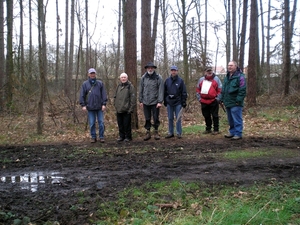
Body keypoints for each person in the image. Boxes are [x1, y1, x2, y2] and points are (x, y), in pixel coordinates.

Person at [79, 68, 108, 143]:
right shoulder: (85, 84)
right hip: (90, 107)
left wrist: (104, 104)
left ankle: (101, 136)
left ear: (95, 74)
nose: (92, 75)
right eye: (91, 73)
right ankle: (93, 137)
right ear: (88, 74)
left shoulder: (100, 83)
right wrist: (83, 105)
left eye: (93, 73)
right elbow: (82, 95)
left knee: (101, 123)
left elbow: (104, 94)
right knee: (92, 123)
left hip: (99, 107)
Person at [220, 61, 247, 140]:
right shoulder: (227, 77)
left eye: (231, 65)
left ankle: (238, 133)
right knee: (230, 119)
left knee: (237, 118)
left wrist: (238, 100)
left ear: (236, 66)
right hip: (227, 102)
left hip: (236, 102)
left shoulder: (240, 77)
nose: (229, 67)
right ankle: (232, 132)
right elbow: (224, 89)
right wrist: (221, 98)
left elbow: (242, 90)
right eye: (228, 65)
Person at [139, 62, 164, 141]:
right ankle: (148, 131)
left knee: (156, 117)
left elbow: (161, 90)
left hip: (155, 102)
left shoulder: (158, 77)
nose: (150, 69)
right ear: (146, 69)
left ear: (153, 68)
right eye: (148, 68)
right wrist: (140, 100)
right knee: (147, 117)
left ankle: (156, 131)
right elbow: (141, 89)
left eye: (151, 68)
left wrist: (160, 101)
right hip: (145, 101)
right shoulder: (143, 77)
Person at [196, 67, 222, 135]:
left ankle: (216, 129)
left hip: (213, 100)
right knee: (206, 115)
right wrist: (199, 99)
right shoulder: (201, 80)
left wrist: (218, 98)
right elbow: (198, 90)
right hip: (204, 101)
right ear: (205, 72)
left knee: (215, 115)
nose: (209, 72)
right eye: (208, 71)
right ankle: (208, 128)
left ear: (212, 71)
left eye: (210, 71)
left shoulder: (216, 79)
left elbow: (220, 89)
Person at [164, 65, 187, 139]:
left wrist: (183, 101)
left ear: (177, 71)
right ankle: (170, 132)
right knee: (170, 118)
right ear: (170, 71)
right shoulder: (167, 80)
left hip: (178, 102)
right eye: (172, 70)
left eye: (175, 70)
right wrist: (165, 100)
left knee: (178, 118)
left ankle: (178, 133)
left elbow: (184, 92)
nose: (173, 72)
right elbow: (164, 92)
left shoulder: (180, 81)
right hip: (169, 102)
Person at [113, 73, 136, 142]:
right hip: (119, 109)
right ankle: (121, 136)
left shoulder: (130, 86)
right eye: (122, 77)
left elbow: (133, 99)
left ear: (127, 78)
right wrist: (115, 105)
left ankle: (128, 137)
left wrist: (131, 109)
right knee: (120, 124)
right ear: (120, 78)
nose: (123, 79)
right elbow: (115, 96)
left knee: (127, 125)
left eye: (124, 77)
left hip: (127, 110)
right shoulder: (118, 86)